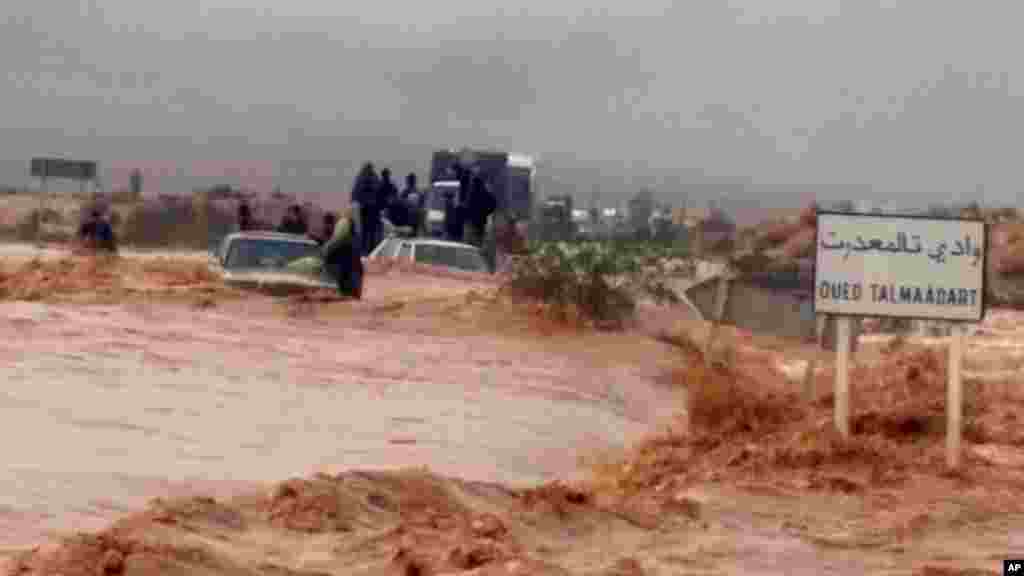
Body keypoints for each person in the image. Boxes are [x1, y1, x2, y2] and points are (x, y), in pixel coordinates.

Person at [322, 206, 363, 299]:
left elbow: (328, 254)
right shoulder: (351, 239)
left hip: (348, 275)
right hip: (349, 274)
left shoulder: (343, 240)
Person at [352, 163, 380, 256]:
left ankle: (365, 251)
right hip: (369, 208)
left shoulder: (362, 177)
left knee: (366, 231)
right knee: (369, 232)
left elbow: (356, 194)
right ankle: (368, 250)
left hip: (367, 208)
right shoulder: (373, 177)